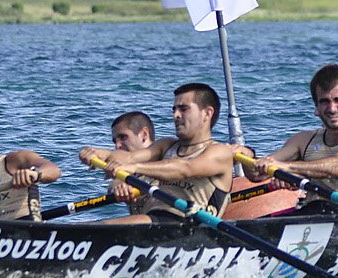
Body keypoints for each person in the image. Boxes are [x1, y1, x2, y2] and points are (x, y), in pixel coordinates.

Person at [79, 83, 236, 225]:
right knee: (90, 226)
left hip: (187, 224)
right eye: (174, 109)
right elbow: (129, 157)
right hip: (156, 220)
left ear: (207, 114)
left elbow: (185, 168)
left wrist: (133, 168)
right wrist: (98, 154)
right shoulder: (166, 145)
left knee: (97, 227)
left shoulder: (219, 152)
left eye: (183, 109)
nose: (176, 115)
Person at [244, 65, 338, 213]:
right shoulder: (303, 140)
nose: (332, 108)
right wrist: (247, 154)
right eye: (325, 101)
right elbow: (256, 174)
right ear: (316, 107)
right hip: (314, 214)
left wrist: (286, 168)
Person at [105, 110, 155, 213]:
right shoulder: (127, 168)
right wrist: (118, 188)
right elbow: (114, 183)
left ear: (144, 135)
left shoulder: (166, 157)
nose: (117, 146)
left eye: (123, 137)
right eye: (115, 141)